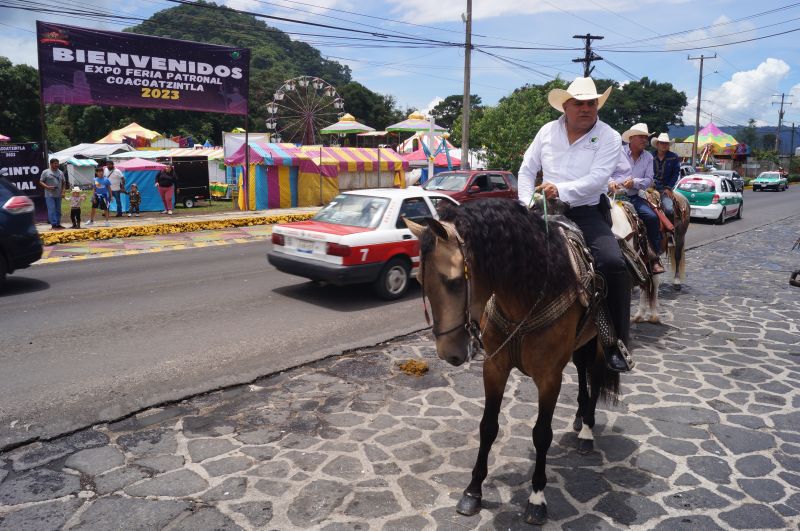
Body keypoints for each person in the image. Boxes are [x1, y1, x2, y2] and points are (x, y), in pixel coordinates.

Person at [518, 76, 633, 373]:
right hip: (543, 209)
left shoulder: (608, 136)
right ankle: (491, 324)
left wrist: (560, 189)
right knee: (505, 255)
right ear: (565, 106)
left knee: (612, 263)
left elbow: (597, 179)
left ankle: (616, 342)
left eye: (591, 103)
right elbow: (527, 169)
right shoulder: (546, 131)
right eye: (579, 103)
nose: (586, 108)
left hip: (585, 211)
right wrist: (524, 204)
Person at [610, 123, 664, 274]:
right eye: (641, 137)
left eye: (646, 137)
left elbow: (648, 180)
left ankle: (654, 257)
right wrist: (610, 182)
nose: (644, 140)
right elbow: (604, 171)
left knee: (652, 218)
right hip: (612, 197)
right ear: (631, 138)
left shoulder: (648, 157)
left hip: (633, 197)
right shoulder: (616, 152)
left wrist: (634, 182)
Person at [651, 133, 681, 220]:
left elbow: (676, 174)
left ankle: (670, 231)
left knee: (668, 209)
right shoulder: (650, 156)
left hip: (664, 189)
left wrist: (668, 188)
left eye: (666, 143)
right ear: (657, 144)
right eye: (662, 143)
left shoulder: (674, 157)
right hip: (649, 187)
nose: (664, 145)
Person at [39, 158, 66, 230]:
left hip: (58, 194)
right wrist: (47, 187)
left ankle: (58, 224)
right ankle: (54, 225)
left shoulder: (60, 172)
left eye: (58, 163)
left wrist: (63, 191)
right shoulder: (45, 172)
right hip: (49, 195)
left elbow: (64, 182)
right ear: (51, 164)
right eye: (55, 163)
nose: (57, 165)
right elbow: (41, 181)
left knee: (58, 210)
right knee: (52, 210)